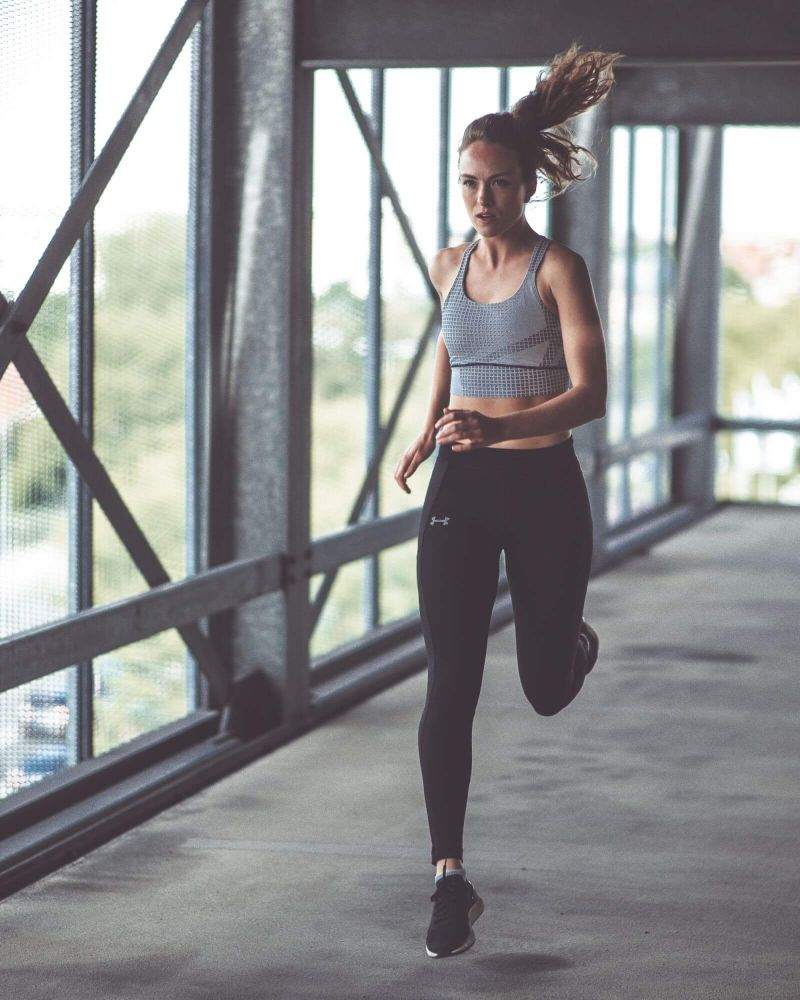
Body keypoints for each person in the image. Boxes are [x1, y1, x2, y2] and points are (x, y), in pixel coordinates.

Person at [393, 42, 622, 959]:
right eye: (468, 183)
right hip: (462, 483)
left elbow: (592, 395)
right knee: (449, 681)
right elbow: (454, 347)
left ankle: (572, 647)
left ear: (529, 185)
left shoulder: (558, 269)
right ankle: (449, 880)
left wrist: (501, 429)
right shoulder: (447, 264)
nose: (481, 198)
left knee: (542, 689)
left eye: (496, 183)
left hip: (542, 487)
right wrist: (431, 429)